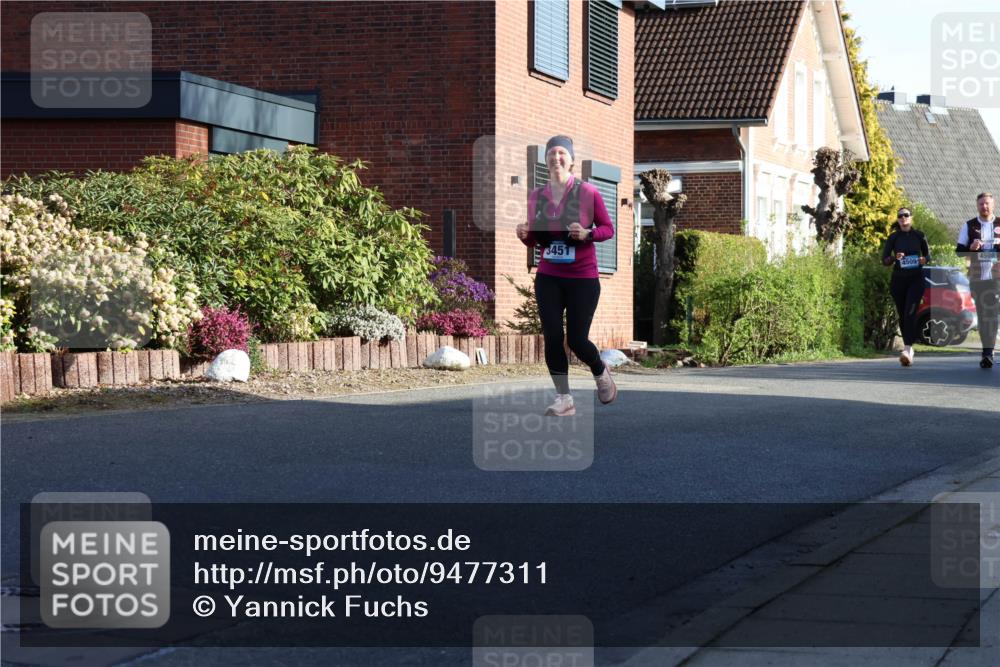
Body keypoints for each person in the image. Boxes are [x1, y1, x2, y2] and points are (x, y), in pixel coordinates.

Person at [515, 135, 616, 416]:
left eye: (562, 153)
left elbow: (608, 228)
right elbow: (535, 239)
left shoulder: (588, 193)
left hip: (582, 277)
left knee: (577, 340)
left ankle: (599, 369)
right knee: (552, 335)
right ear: (545, 160)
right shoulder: (537, 196)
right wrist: (525, 234)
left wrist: (588, 234)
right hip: (549, 275)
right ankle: (564, 398)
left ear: (571, 160)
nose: (556, 157)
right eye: (551, 153)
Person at [881, 207, 931, 366]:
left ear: (911, 218)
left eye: (906, 215)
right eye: (900, 216)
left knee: (910, 313)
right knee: (903, 315)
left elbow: (928, 255)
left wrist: (924, 260)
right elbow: (885, 260)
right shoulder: (894, 238)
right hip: (899, 280)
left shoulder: (919, 235)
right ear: (898, 219)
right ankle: (908, 347)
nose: (903, 218)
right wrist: (895, 258)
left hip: (916, 280)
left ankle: (907, 349)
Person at [956, 192, 1000, 369]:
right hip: (977, 278)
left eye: (987, 204)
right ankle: (987, 350)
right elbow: (959, 252)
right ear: (977, 206)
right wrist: (971, 248)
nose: (985, 207)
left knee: (992, 312)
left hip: (996, 277)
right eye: (981, 204)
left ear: (993, 204)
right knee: (983, 315)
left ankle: (988, 353)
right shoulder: (969, 226)